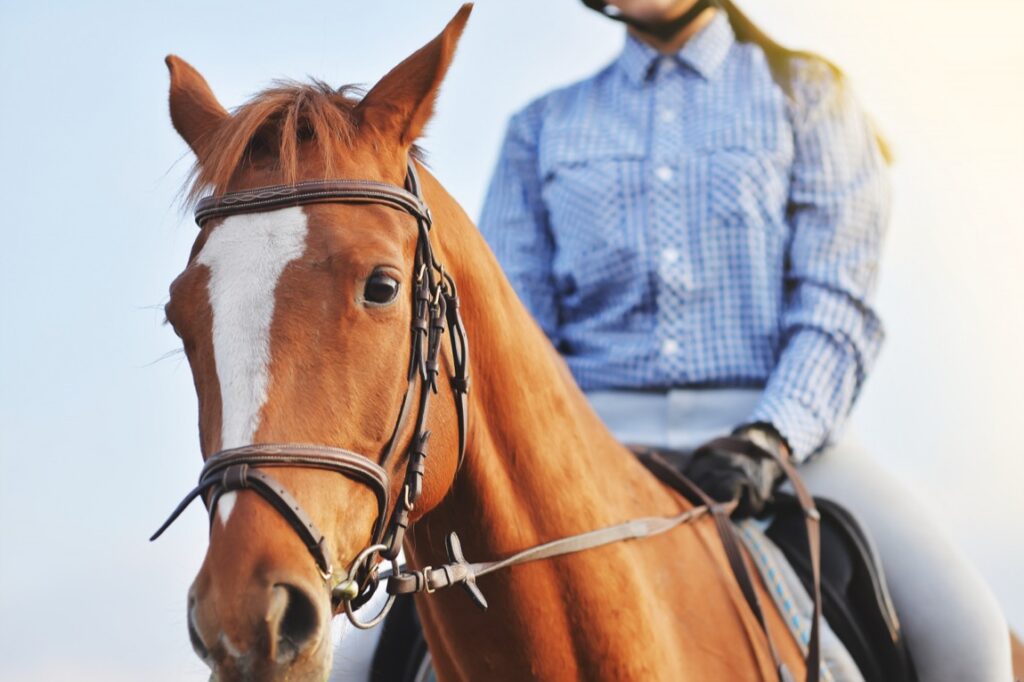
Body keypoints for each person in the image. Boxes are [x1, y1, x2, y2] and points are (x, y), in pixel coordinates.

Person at [478, 1, 1012, 679]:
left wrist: (770, 438)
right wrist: (560, 444)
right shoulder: (539, 127)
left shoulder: (810, 93)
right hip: (589, 430)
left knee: (971, 641)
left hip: (776, 427)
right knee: (360, 655)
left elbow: (835, 300)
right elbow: (514, 324)